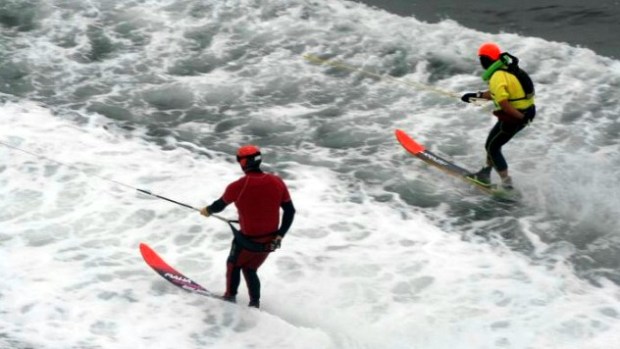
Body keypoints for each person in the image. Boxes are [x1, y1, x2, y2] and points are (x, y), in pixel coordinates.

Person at [200, 145, 296, 308]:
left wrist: (207, 210)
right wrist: (280, 236)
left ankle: (229, 298)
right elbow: (290, 211)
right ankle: (254, 304)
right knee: (250, 269)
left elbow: (218, 206)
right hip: (271, 242)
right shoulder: (277, 181)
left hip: (248, 242)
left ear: (243, 163)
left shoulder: (238, 186)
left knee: (233, 264)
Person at [460, 42, 536, 190]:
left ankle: (507, 185)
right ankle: (486, 173)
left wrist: (521, 118)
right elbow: (498, 93)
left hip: (515, 117)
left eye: (481, 59)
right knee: (491, 143)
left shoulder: (497, 77)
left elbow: (504, 103)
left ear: (485, 60)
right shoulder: (508, 69)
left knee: (493, 147)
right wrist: (475, 96)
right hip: (527, 111)